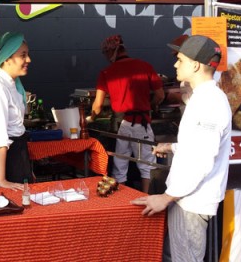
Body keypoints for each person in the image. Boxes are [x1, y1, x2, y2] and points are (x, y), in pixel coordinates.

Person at [131, 35, 231, 262]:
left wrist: (166, 198)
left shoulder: (209, 101)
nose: (176, 64)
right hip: (186, 200)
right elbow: (199, 145)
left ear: (195, 65)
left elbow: (202, 159)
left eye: (181, 60)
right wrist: (173, 147)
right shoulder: (204, 98)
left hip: (190, 202)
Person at [89, 34, 165, 193]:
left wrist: (91, 118)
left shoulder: (107, 72)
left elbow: (98, 105)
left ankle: (122, 203)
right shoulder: (145, 66)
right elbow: (160, 95)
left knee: (120, 165)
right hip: (142, 124)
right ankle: (146, 199)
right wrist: (148, 107)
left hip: (122, 125)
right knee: (146, 166)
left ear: (110, 52)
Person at [0, 32, 33, 190]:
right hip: (6, 160)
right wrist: (2, 180)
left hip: (17, 155)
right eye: (23, 55)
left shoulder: (13, 84)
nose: (28, 60)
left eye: (27, 55)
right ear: (7, 58)